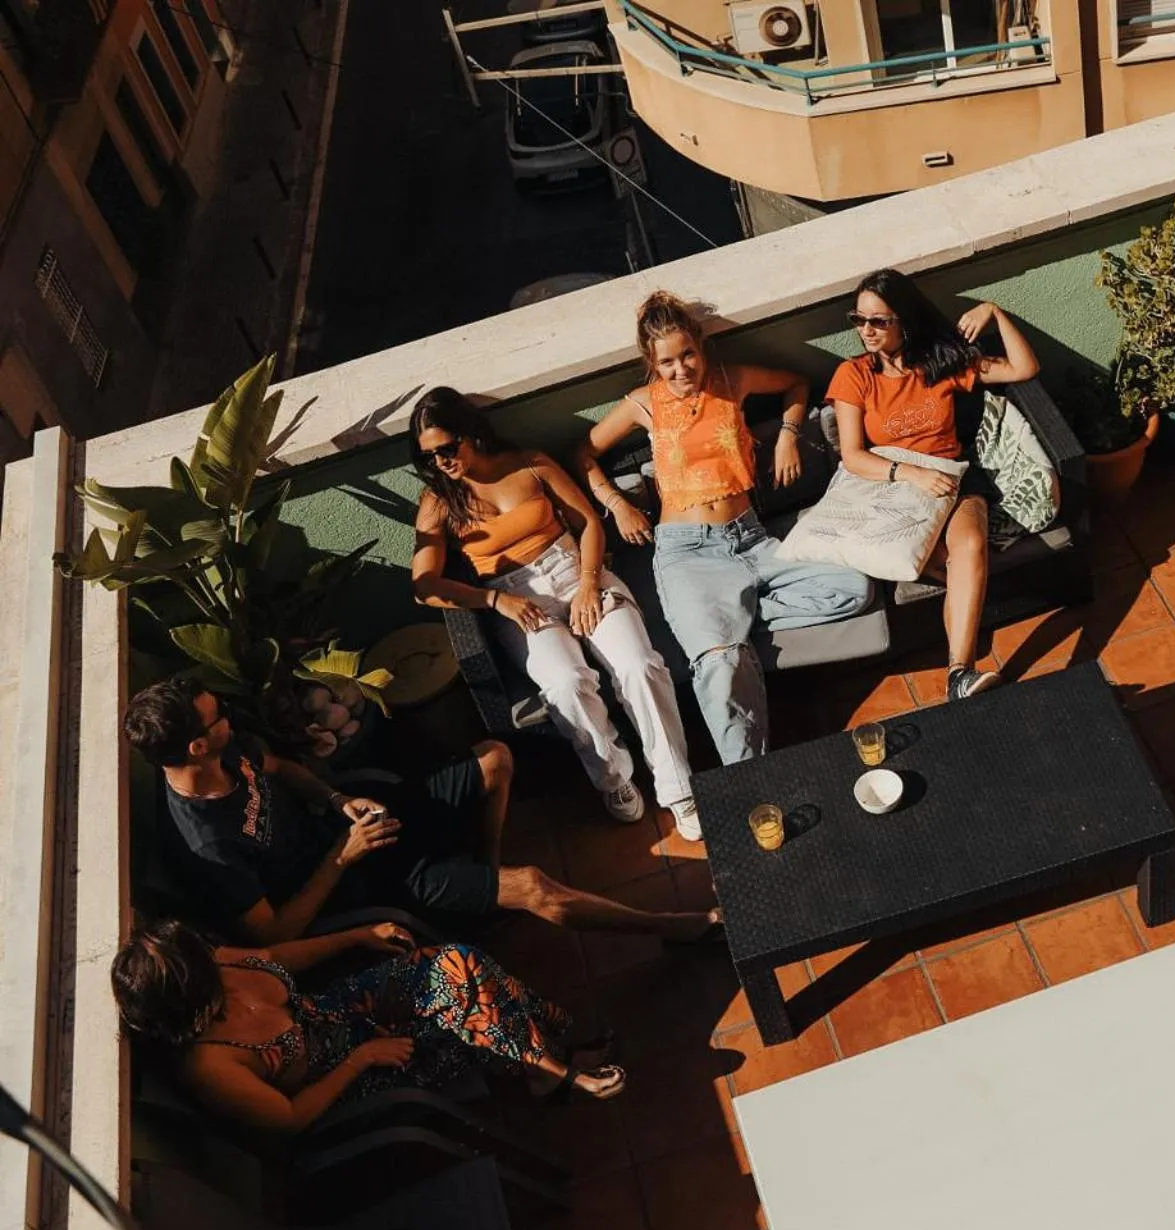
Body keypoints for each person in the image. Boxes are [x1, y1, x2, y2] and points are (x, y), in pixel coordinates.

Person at [126, 675, 721, 944]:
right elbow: (273, 934)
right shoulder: (205, 846)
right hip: (353, 880)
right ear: (196, 746)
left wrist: (337, 799)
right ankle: (676, 929)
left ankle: (483, 886)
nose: (228, 717)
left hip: (356, 825)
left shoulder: (228, 753)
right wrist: (342, 857)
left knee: (494, 760)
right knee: (536, 887)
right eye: (216, 717)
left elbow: (283, 770)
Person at [575, 292, 871, 763]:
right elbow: (583, 454)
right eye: (667, 362)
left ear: (700, 345)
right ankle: (748, 775)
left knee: (852, 587)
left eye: (687, 354)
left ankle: (733, 617)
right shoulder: (642, 404)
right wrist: (617, 503)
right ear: (651, 363)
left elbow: (796, 385)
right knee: (721, 663)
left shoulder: (732, 379)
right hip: (688, 553)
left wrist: (789, 437)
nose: (681, 369)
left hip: (751, 538)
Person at [408, 387, 702, 837]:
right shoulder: (439, 503)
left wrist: (588, 584)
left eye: (448, 449)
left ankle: (677, 786)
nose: (441, 462)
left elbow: (587, 523)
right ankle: (614, 778)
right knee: (566, 685)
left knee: (639, 666)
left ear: (470, 433)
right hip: (515, 597)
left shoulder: (529, 462)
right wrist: (493, 600)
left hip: (575, 568)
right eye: (429, 456)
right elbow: (424, 586)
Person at [113, 918, 624, 1132]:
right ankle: (552, 1061)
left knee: (457, 965)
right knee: (463, 1001)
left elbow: (275, 955)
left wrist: (356, 936)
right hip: (349, 1075)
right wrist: (361, 1060)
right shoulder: (212, 1065)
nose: (211, 954)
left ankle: (544, 1068)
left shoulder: (217, 965)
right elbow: (290, 1118)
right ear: (189, 997)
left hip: (338, 1009)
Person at [827, 269, 1041, 701]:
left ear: (904, 320)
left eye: (878, 321)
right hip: (897, 487)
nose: (866, 331)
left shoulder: (940, 364)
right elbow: (852, 455)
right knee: (950, 564)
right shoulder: (854, 375)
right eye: (859, 320)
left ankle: (960, 673)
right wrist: (911, 474)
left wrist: (995, 312)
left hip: (953, 477)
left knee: (970, 546)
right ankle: (968, 614)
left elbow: (1024, 367)